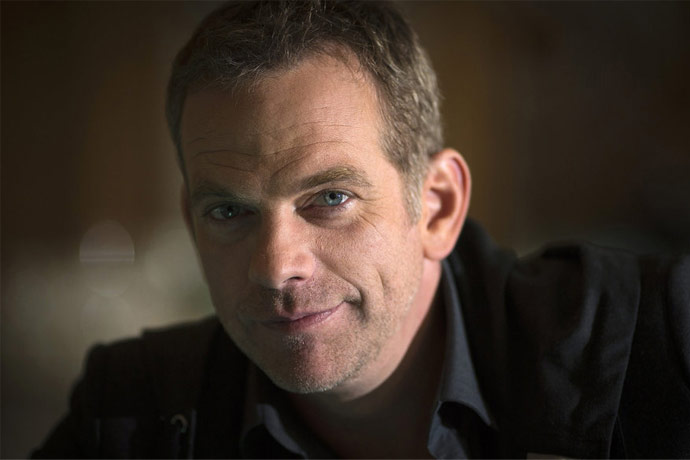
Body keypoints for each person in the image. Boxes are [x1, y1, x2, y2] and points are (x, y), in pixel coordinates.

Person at [33, 1, 690, 458]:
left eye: (330, 198)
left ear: (436, 207)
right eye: (229, 212)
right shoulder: (132, 416)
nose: (275, 266)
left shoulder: (655, 346)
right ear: (191, 222)